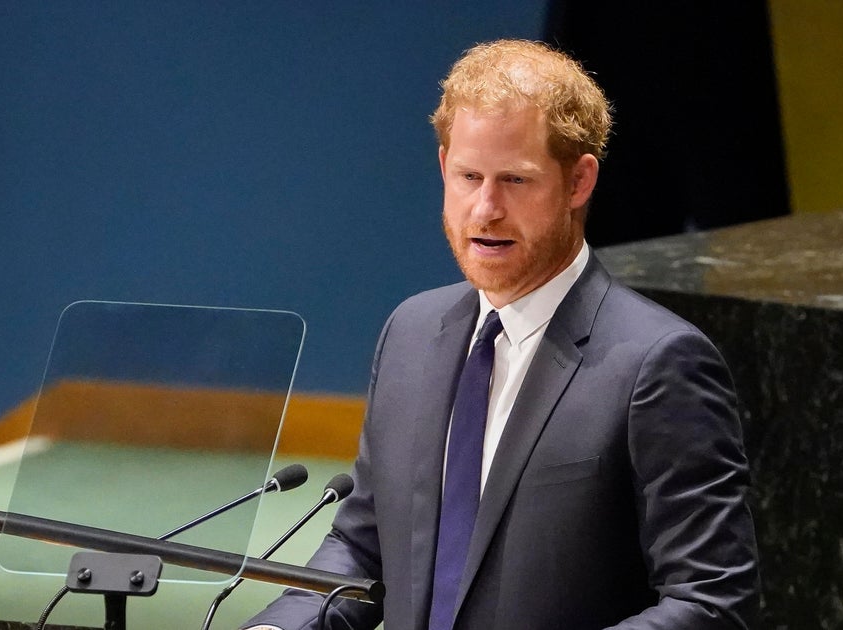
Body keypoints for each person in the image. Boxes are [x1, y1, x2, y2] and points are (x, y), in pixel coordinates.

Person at [243, 38, 759, 630]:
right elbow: (365, 546)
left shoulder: (658, 363)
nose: (485, 209)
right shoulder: (411, 333)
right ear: (443, 168)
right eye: (468, 176)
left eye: (515, 180)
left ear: (578, 182)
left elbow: (711, 604)